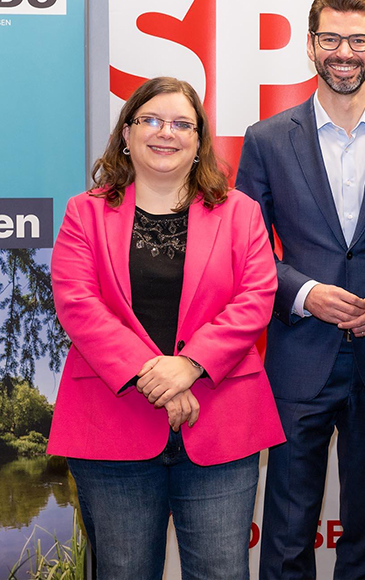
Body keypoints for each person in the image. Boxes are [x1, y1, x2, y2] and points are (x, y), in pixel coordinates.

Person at [236, 0, 365, 580]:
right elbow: (245, 252)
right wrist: (305, 293)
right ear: (310, 45)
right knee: (286, 533)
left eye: (357, 40)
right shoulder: (266, 140)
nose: (343, 52)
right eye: (331, 39)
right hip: (299, 358)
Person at [47, 76, 283, 579]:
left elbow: (256, 298)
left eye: (181, 124)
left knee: (222, 573)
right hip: (112, 423)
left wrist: (192, 364)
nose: (165, 132)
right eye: (150, 120)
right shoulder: (84, 213)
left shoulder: (241, 213)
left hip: (219, 422)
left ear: (199, 142)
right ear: (126, 134)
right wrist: (156, 377)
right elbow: (78, 304)